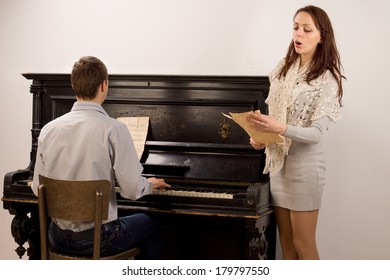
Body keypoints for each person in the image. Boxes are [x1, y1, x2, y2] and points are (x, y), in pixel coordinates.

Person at [32, 55, 170, 259]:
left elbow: (37, 189)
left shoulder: (48, 129)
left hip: (56, 237)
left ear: (73, 85)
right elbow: (131, 191)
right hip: (98, 239)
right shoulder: (114, 129)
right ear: (104, 85)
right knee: (150, 224)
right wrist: (148, 184)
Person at [246, 5, 344, 259]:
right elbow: (276, 120)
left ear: (322, 36)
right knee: (286, 246)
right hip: (280, 167)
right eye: (295, 27)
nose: (298, 34)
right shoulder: (283, 70)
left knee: (304, 246)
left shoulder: (327, 79)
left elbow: (316, 134)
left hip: (305, 170)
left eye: (307, 29)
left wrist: (279, 128)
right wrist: (261, 138)